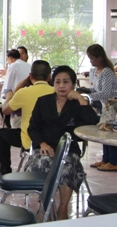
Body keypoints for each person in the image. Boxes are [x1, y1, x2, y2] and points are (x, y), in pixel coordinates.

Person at [27, 65, 99, 220]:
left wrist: (81, 98)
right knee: (44, 163)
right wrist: (42, 143)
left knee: (67, 166)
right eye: (57, 82)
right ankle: (47, 206)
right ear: (53, 83)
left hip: (69, 150)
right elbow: (33, 128)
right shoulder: (43, 101)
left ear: (73, 84)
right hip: (44, 148)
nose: (61, 86)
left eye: (66, 82)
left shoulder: (77, 104)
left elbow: (93, 123)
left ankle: (63, 208)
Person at [0, 60, 54, 174]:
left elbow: (5, 111)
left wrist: (9, 97)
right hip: (53, 141)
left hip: (30, 141)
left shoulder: (24, 92)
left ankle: (5, 172)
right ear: (49, 77)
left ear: (31, 76)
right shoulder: (56, 92)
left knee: (1, 134)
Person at [87, 44, 117, 171]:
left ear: (99, 58)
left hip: (114, 105)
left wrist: (88, 97)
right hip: (106, 105)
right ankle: (105, 159)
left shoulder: (107, 72)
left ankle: (113, 162)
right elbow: (98, 89)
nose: (90, 61)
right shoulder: (97, 71)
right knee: (104, 132)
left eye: (92, 58)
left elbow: (106, 93)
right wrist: (87, 90)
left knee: (110, 133)